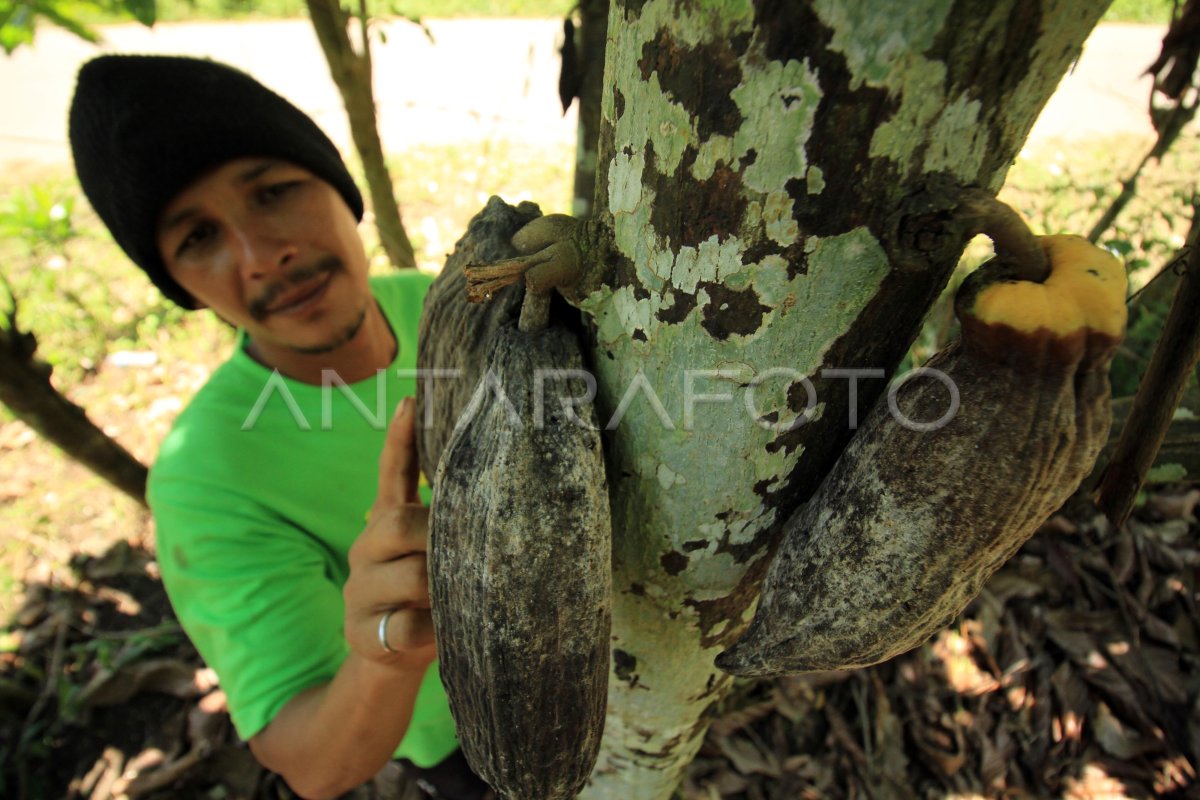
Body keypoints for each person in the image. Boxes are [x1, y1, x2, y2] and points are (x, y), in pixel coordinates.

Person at [68, 54, 491, 800]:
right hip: (471, 738)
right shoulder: (207, 477)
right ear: (179, 285)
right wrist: (385, 655)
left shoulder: (447, 306)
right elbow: (310, 762)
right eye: (198, 238)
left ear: (338, 187)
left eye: (272, 192)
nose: (265, 257)